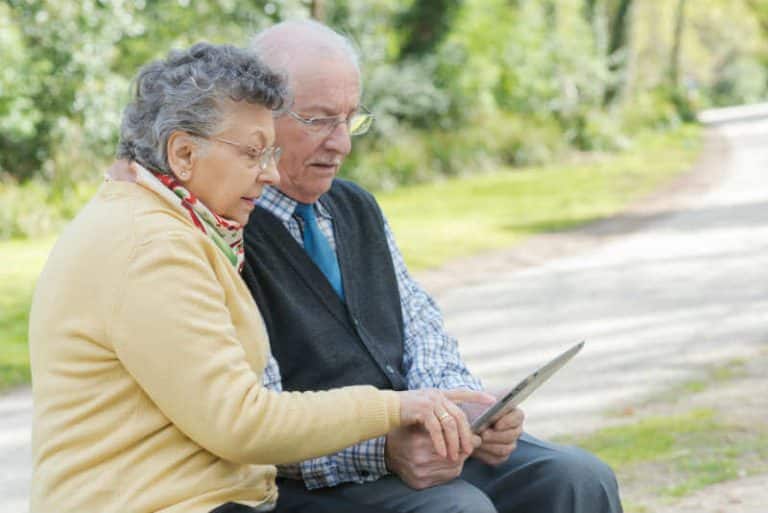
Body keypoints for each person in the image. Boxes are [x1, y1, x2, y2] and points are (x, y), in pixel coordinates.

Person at [28, 42, 491, 513]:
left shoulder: (171, 225)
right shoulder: (152, 248)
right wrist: (395, 408)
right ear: (184, 153)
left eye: (271, 152)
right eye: (253, 153)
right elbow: (242, 422)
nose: (270, 174)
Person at [241, 20, 624, 513]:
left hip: (419, 441)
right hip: (316, 476)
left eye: (351, 119)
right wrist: (383, 449)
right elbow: (256, 418)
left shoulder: (355, 207)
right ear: (259, 120)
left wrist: (465, 412)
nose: (342, 143)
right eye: (318, 121)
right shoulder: (230, 229)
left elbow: (421, 328)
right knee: (459, 509)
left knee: (578, 477)